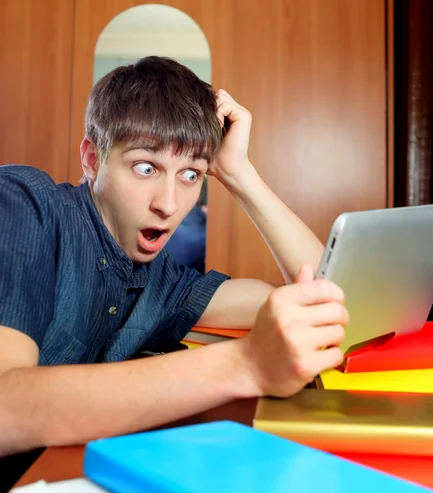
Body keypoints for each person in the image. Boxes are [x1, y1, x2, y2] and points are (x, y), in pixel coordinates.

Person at [0, 56, 348, 458]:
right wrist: (243, 365)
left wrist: (238, 173)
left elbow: (325, 297)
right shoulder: (24, 205)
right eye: (146, 167)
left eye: (190, 176)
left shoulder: (161, 280)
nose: (169, 205)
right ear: (93, 160)